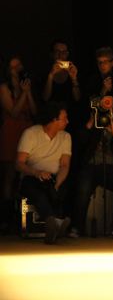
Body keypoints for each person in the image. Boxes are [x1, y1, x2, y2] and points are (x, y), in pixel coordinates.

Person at [68, 98, 113, 240]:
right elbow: (79, 143)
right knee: (83, 186)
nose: (106, 113)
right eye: (103, 109)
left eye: (109, 110)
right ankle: (77, 227)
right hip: (91, 166)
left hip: (112, 167)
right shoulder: (94, 124)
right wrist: (91, 123)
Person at [16, 101, 71, 244]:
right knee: (38, 192)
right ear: (54, 120)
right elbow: (19, 163)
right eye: (64, 118)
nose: (67, 121)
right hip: (32, 176)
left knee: (60, 189)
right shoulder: (31, 133)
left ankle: (55, 226)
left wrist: (58, 182)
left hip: (53, 177)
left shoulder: (65, 137)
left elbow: (65, 165)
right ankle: (54, 223)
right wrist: (37, 172)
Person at [0, 55, 37, 233]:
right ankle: (6, 219)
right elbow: (13, 112)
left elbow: (35, 111)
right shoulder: (4, 88)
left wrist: (27, 92)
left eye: (19, 65)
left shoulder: (25, 85)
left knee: (24, 175)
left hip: (26, 130)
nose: (17, 69)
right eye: (14, 67)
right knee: (10, 175)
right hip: (11, 131)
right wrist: (23, 93)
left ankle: (23, 219)